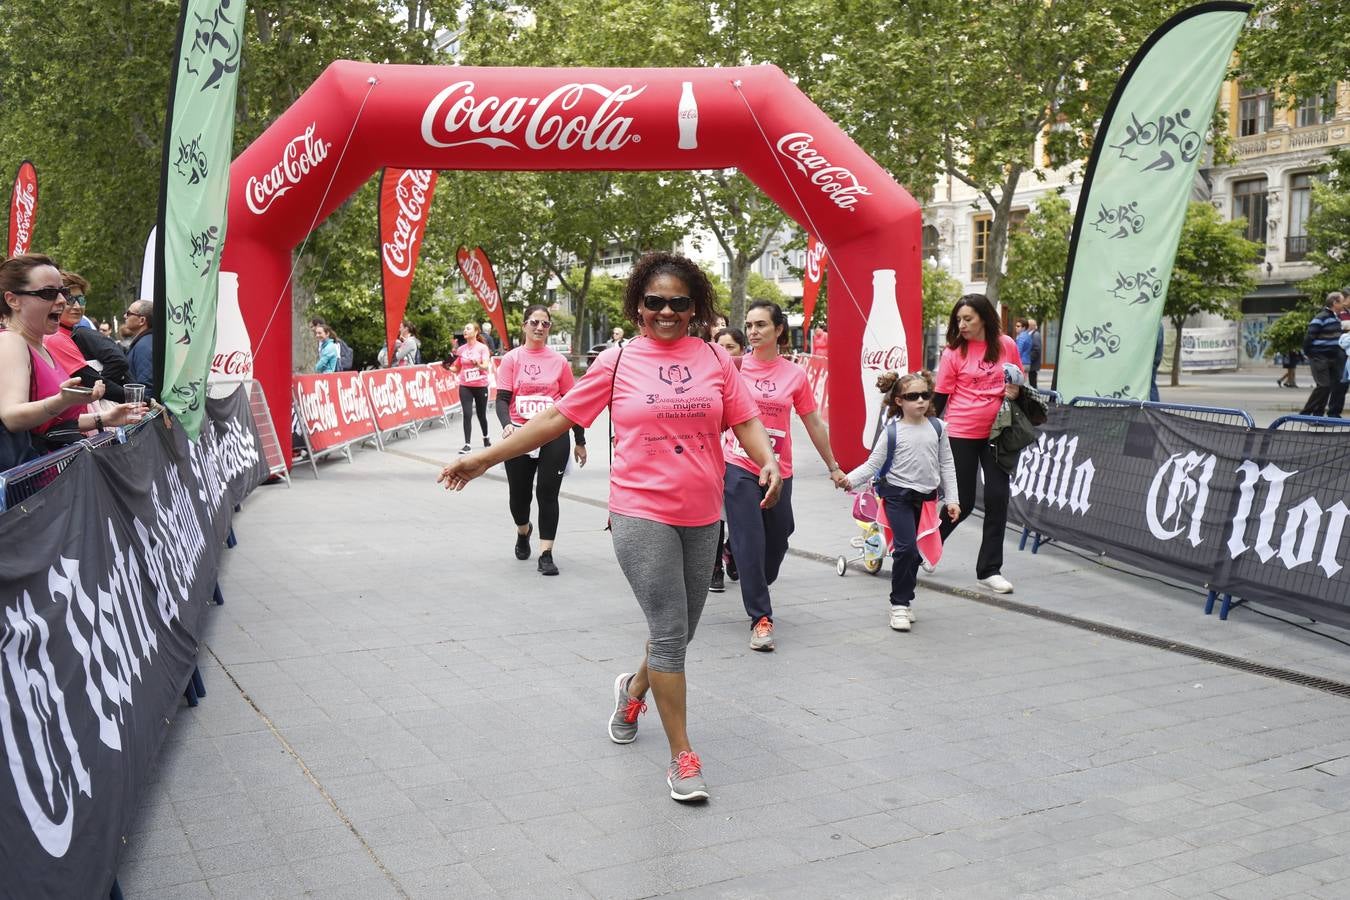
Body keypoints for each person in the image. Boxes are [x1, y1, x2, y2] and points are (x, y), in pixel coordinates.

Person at [438, 252, 782, 803]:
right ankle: (682, 758)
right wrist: (486, 458)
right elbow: (557, 417)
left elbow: (743, 418)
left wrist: (767, 459)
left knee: (682, 632)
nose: (666, 312)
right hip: (639, 511)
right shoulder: (618, 360)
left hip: (701, 514)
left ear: (695, 307)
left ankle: (632, 689)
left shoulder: (717, 359)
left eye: (679, 303)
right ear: (638, 304)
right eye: (654, 302)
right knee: (670, 634)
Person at [724, 300, 847, 651]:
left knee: (778, 538)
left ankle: (747, 569)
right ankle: (761, 619)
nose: (752, 332)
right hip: (739, 465)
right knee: (751, 540)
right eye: (748, 325)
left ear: (779, 330)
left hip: (781, 469)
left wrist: (833, 466)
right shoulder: (734, 368)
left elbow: (812, 422)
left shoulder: (794, 374)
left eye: (760, 325)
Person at [838, 370, 959, 632]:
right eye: (912, 396)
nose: (920, 401)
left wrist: (953, 499)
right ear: (899, 401)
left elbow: (947, 464)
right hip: (896, 497)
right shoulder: (892, 432)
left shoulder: (938, 428)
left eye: (925, 395)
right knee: (906, 550)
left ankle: (906, 599)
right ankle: (899, 605)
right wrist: (848, 479)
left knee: (915, 554)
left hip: (926, 500)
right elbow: (873, 464)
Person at [0, 254, 144, 465]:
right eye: (48, 293)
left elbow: (49, 426)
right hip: (39, 485)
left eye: (63, 292)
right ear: (12, 300)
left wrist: (105, 418)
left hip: (61, 474)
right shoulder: (11, 342)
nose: (62, 301)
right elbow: (12, 416)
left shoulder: (40, 344)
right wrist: (62, 400)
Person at [932, 293, 1024, 594]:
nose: (962, 325)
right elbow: (941, 397)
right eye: (958, 319)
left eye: (968, 319)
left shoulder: (1006, 345)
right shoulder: (953, 353)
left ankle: (989, 570)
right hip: (961, 432)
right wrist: (921, 427)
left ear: (984, 317)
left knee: (998, 497)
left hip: (997, 433)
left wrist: (1014, 391)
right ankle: (929, 544)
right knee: (964, 501)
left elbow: (1018, 381)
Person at [494, 304, 588, 576]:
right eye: (534, 322)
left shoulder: (559, 361)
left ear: (549, 328)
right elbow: (501, 400)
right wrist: (507, 425)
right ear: (524, 325)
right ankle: (523, 531)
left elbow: (574, 403)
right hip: (520, 433)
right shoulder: (512, 359)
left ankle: (546, 553)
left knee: (547, 493)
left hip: (553, 433)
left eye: (545, 324)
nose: (539, 328)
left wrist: (580, 440)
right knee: (519, 496)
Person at [709, 326, 747, 593]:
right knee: (714, 518)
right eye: (719, 347)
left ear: (742, 350)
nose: (724, 353)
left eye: (730, 347)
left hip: (742, 458)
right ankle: (714, 570)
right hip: (713, 458)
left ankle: (733, 551)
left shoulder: (750, 376)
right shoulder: (705, 378)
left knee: (742, 516)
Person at [60, 273, 130, 392]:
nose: (77, 306)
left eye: (81, 300)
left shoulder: (80, 333)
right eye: (69, 300)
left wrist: (99, 390)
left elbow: (120, 362)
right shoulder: (52, 337)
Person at [445, 322, 493, 452]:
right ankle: (467, 444)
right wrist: (448, 367)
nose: (465, 331)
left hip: (480, 385)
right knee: (467, 414)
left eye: (468, 328)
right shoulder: (461, 350)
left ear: (476, 332)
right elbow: (457, 368)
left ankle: (486, 436)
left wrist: (478, 364)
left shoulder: (482, 348)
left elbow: (486, 366)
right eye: (464, 328)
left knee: (481, 414)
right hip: (465, 385)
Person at [1299, 292, 1348, 417]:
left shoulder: (1336, 318)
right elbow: (1309, 336)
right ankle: (1305, 413)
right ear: (1334, 303)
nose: (1343, 304)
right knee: (1323, 386)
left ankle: (1318, 415)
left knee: (1330, 386)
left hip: (1333, 357)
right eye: (1341, 302)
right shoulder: (1321, 317)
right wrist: (1309, 353)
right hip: (1319, 357)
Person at [121, 299, 156, 399]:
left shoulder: (144, 346)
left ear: (142, 320)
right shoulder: (146, 342)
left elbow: (146, 387)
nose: (125, 316)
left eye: (129, 313)